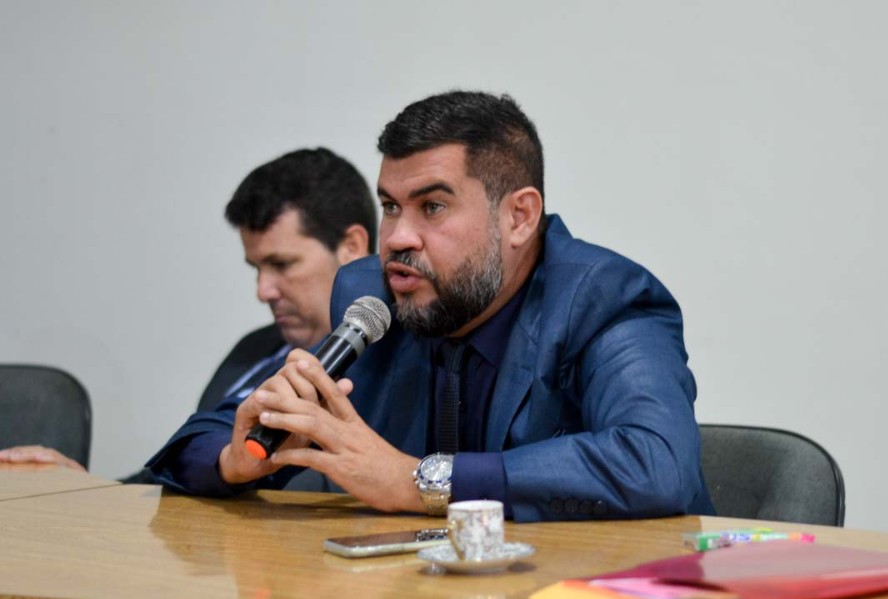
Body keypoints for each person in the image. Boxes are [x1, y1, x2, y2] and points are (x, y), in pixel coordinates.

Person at [148, 91, 714, 521]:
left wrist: (419, 481)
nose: (398, 237)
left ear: (519, 217)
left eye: (433, 207)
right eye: (391, 207)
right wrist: (236, 460)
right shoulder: (373, 298)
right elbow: (197, 441)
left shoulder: (601, 296)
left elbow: (656, 462)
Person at [1, 148, 376, 482]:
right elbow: (182, 468)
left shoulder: (387, 367)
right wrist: (93, 489)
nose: (263, 291)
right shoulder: (254, 349)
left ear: (352, 247)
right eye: (256, 268)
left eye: (282, 264)